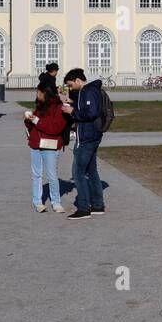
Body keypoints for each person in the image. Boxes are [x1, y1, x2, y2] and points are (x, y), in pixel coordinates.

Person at [61, 68, 106, 219]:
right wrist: (74, 104)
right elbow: (88, 109)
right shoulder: (87, 91)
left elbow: (91, 113)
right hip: (91, 136)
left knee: (78, 173)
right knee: (91, 171)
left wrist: (72, 111)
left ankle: (84, 207)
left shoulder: (88, 91)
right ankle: (98, 205)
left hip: (86, 137)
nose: (70, 88)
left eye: (70, 85)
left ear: (78, 81)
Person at [24, 81, 68, 213]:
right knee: (36, 175)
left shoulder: (59, 108)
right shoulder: (39, 106)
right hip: (35, 143)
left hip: (50, 144)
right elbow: (34, 126)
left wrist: (36, 120)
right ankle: (37, 202)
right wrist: (28, 120)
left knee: (52, 175)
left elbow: (55, 128)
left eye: (39, 92)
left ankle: (56, 202)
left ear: (45, 93)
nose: (37, 95)